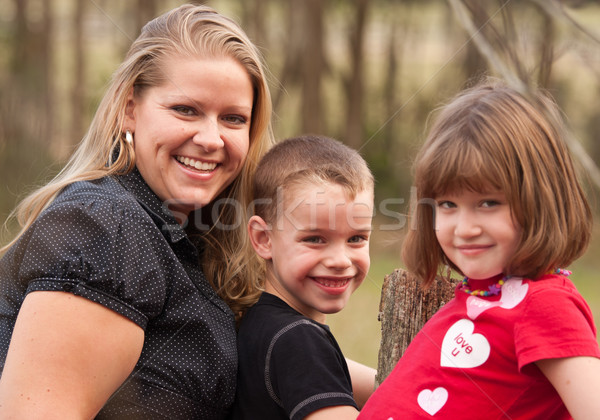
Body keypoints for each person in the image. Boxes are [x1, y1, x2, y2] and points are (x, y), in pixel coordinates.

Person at [0, 4, 274, 419]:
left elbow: (273, 354)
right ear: (130, 108)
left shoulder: (184, 235)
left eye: (233, 119)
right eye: (186, 110)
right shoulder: (106, 225)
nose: (211, 138)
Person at [358, 80, 600, 419]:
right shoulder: (480, 297)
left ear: (539, 201)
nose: (465, 229)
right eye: (447, 204)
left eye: (488, 203)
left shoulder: (545, 306)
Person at [229, 135, 377, 420]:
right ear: (263, 239)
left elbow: (380, 385)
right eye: (315, 239)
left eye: (356, 238)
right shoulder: (298, 339)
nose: (340, 260)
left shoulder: (261, 321)